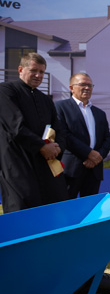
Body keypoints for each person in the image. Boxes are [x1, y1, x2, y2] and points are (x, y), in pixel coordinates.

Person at [0, 52, 67, 212]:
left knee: (52, 206)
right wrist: (42, 147)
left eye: (42, 72)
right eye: (34, 71)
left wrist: (57, 148)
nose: (38, 75)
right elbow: (15, 126)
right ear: (20, 69)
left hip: (45, 163)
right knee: (22, 208)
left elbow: (58, 128)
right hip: (18, 163)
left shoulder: (45, 99)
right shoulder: (6, 91)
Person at [55, 73, 110, 199]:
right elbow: (64, 135)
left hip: (94, 169)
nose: (87, 88)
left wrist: (98, 156)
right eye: (82, 84)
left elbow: (108, 138)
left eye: (90, 85)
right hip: (71, 169)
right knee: (66, 208)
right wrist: (88, 153)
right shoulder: (60, 107)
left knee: (90, 210)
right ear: (71, 88)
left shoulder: (99, 113)